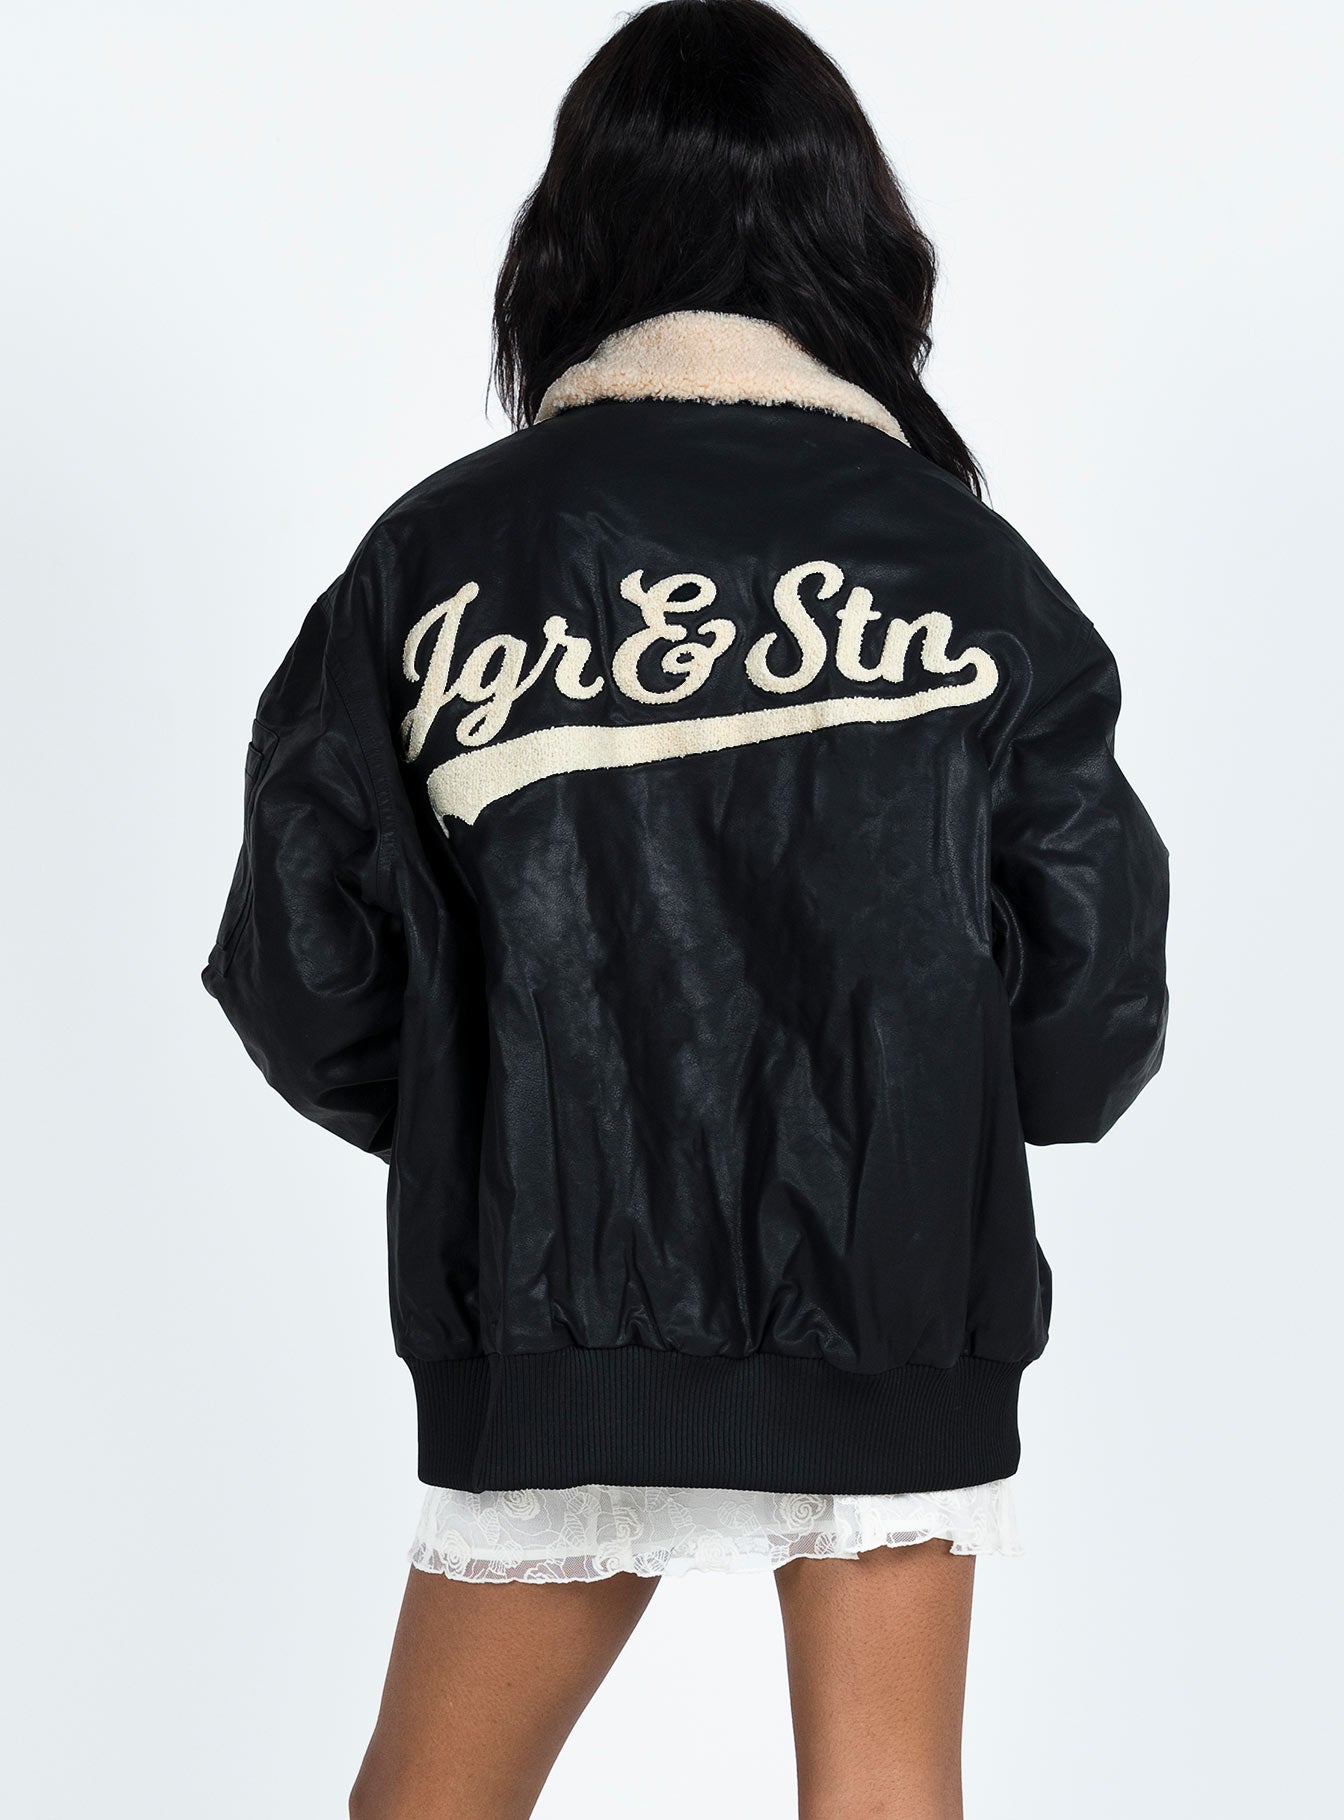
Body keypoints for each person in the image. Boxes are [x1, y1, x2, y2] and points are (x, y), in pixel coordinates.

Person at [201, 2, 1169, 1814]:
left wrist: (488, 1120)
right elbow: (1089, 1015)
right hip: (896, 1299)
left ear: (575, 244)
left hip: (550, 1304)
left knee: (426, 1803)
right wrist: (938, 1118)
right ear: (851, 243)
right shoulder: (971, 573)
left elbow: (301, 972)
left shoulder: (434, 557)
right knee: (886, 1793)